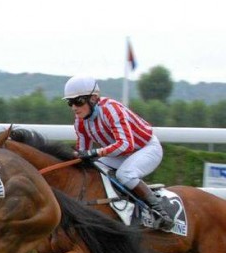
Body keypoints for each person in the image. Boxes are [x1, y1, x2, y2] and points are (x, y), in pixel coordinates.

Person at [64, 75, 174, 231]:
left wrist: (95, 152)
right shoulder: (79, 122)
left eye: (78, 101)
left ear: (94, 99)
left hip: (146, 148)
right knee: (93, 167)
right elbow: (83, 153)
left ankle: (160, 213)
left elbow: (126, 145)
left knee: (125, 174)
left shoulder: (112, 110)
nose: (74, 107)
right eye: (70, 102)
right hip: (119, 153)